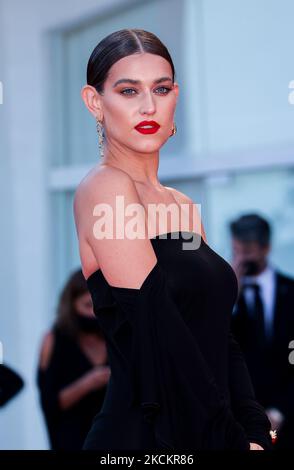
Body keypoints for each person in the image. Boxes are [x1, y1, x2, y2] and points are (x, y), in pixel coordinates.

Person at [73, 29, 272, 450]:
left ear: (175, 96)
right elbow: (158, 328)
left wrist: (254, 427)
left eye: (161, 89)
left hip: (210, 432)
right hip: (143, 438)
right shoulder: (104, 188)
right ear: (95, 102)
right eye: (128, 90)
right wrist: (233, 440)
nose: (149, 106)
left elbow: (220, 333)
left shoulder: (180, 203)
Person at [230, 213, 294, 449]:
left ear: (266, 248)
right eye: (237, 252)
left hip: (286, 414)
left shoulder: (290, 291)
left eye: (248, 254)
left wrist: (281, 410)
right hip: (241, 418)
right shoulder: (225, 297)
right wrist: (228, 295)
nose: (241, 260)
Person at [37, 269, 110, 450]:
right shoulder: (54, 341)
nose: (94, 313)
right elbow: (50, 404)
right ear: (72, 305)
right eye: (87, 305)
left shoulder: (117, 339)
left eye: (99, 305)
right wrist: (89, 382)